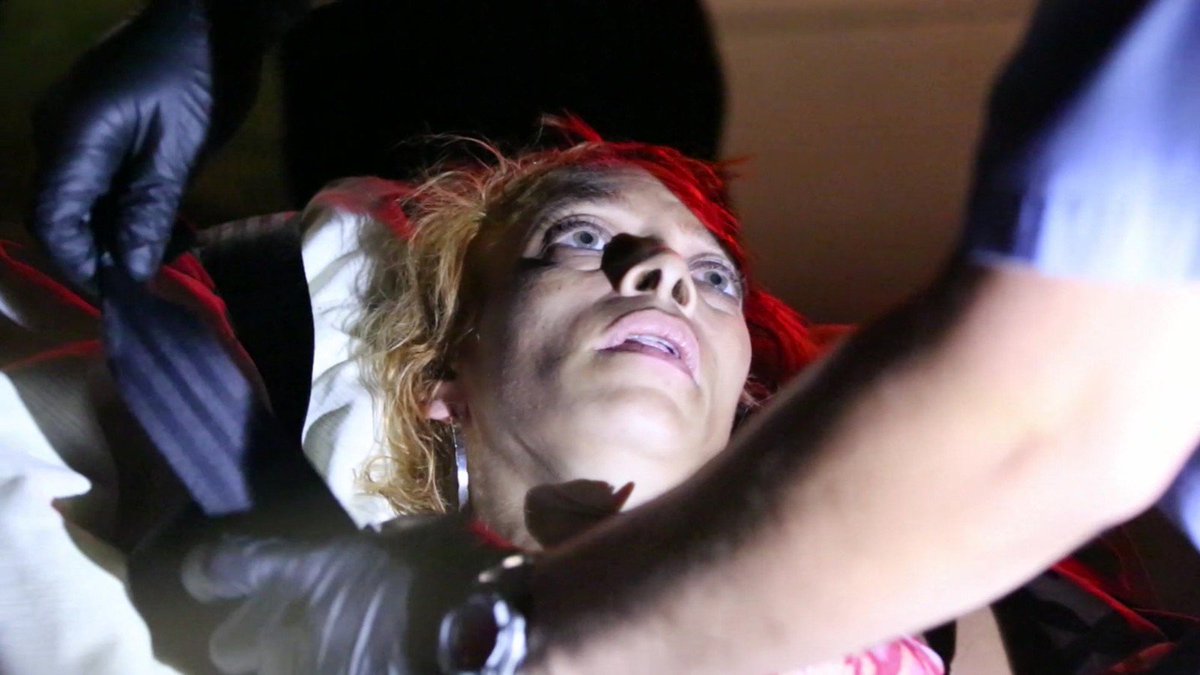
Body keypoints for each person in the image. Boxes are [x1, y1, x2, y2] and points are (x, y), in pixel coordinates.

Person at [17, 0, 1200, 673]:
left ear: (748, 401)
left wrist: (497, 636)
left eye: (716, 276)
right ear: (437, 378)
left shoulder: (928, 597)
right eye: (581, 240)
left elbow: (1054, 416)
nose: (664, 275)